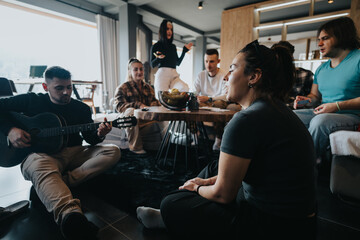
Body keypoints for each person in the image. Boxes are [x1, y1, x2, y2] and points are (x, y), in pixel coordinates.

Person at [136, 40, 317, 239]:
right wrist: (207, 182)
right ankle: (181, 214)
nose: (227, 77)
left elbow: (224, 195)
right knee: (215, 167)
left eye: (232, 69)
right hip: (302, 223)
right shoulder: (275, 108)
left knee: (171, 202)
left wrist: (197, 188)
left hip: (274, 228)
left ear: (254, 77)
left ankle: (168, 218)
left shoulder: (246, 119)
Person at [0, 66, 121, 239]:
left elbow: (91, 138)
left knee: (113, 151)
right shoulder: (31, 100)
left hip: (74, 153)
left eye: (69, 87)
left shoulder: (82, 109)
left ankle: (57, 183)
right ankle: (71, 216)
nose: (66, 92)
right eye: (59, 88)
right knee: (37, 164)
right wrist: (10, 130)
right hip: (42, 156)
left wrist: (99, 134)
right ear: (45, 87)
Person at [293, 17, 360, 161]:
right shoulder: (321, 69)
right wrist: (306, 100)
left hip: (353, 116)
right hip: (325, 112)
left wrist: (337, 106)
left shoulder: (358, 59)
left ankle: (306, 168)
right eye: (319, 40)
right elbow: (315, 96)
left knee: (320, 122)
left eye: (325, 38)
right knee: (289, 116)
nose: (320, 44)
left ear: (341, 36)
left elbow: (330, 109)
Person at [114, 58, 167, 155]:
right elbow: (119, 106)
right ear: (130, 72)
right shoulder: (122, 87)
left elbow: (155, 103)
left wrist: (159, 105)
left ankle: (166, 145)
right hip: (127, 120)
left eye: (141, 69)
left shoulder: (148, 87)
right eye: (135, 69)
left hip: (144, 120)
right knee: (130, 111)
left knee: (163, 111)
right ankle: (136, 148)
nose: (139, 72)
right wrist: (138, 105)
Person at [193, 48, 241, 151]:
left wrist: (209, 98)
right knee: (191, 103)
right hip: (205, 102)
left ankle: (218, 140)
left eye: (211, 61)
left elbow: (225, 95)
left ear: (218, 61)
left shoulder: (223, 75)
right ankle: (195, 135)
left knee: (219, 104)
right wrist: (196, 97)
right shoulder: (201, 75)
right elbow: (194, 91)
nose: (208, 65)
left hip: (218, 102)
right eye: (206, 61)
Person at [151, 19, 192, 98]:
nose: (169, 31)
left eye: (171, 29)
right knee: (162, 99)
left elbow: (177, 63)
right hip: (162, 75)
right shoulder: (156, 46)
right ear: (163, 30)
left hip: (173, 75)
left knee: (184, 88)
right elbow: (152, 64)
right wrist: (158, 58)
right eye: (167, 29)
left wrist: (184, 51)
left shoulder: (173, 47)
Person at [271, 41, 314, 108]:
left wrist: (303, 102)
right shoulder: (269, 76)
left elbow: (311, 100)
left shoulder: (305, 75)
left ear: (291, 57)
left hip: (298, 112)